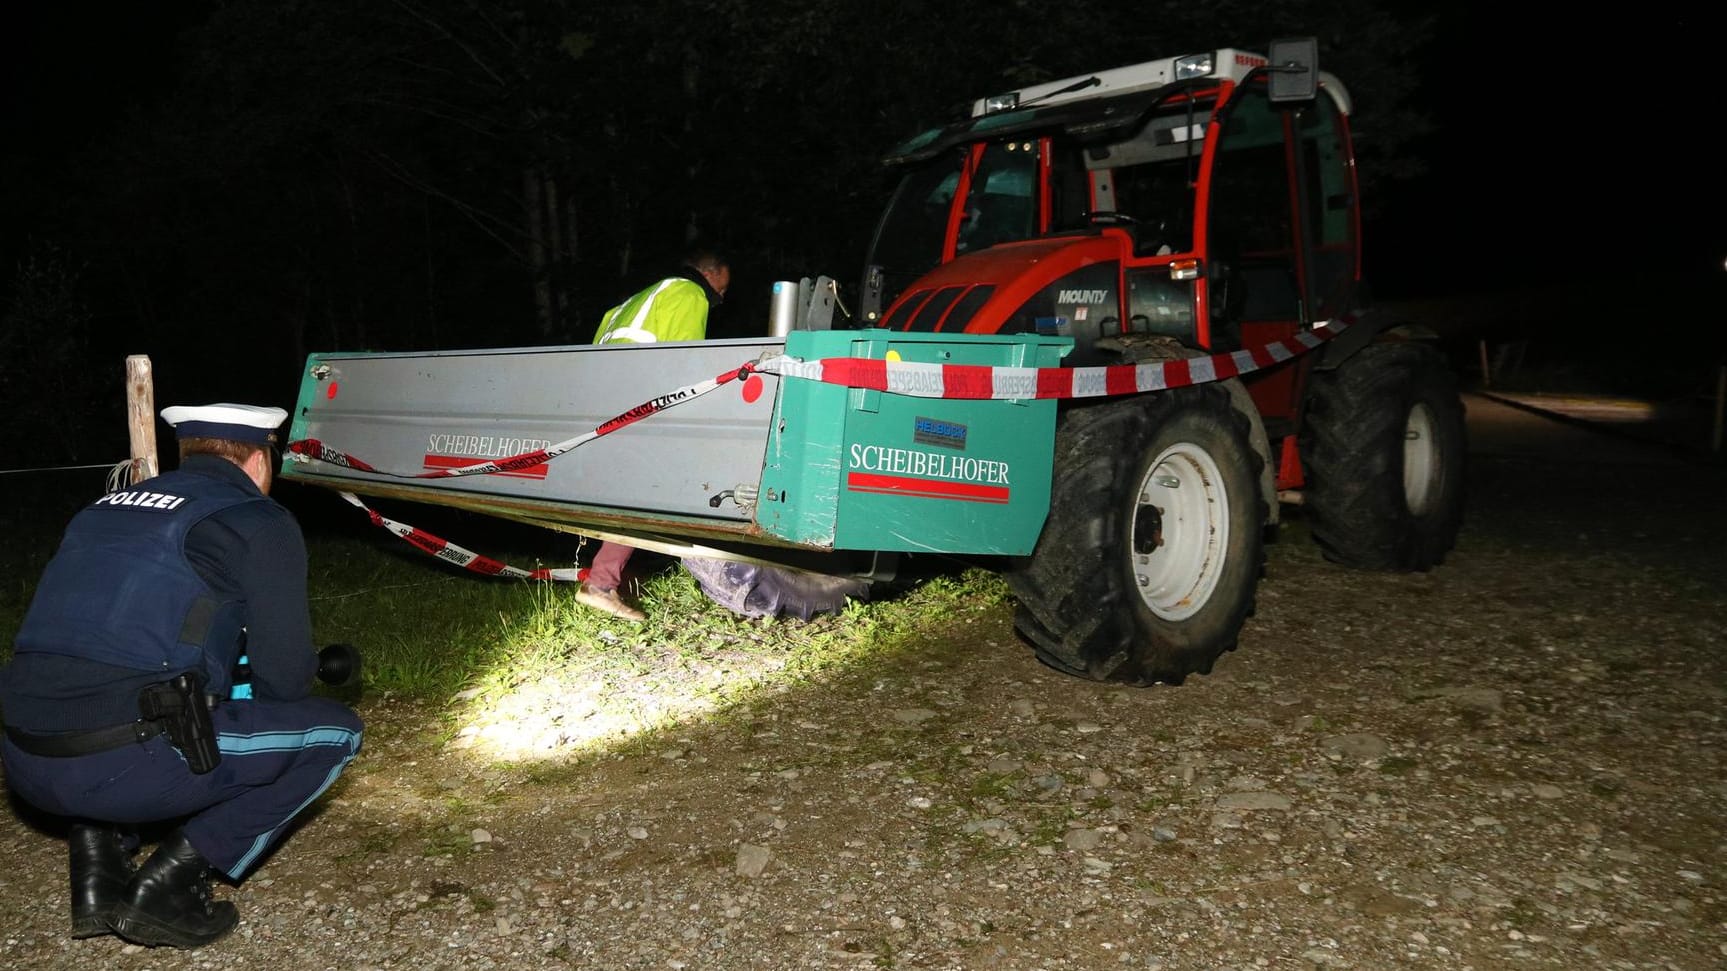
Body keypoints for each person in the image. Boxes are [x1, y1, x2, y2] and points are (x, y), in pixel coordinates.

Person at [0, 403, 364, 949]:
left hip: (25, 759)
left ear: (186, 453)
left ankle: (98, 876)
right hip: (125, 765)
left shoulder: (99, 510)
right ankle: (172, 882)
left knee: (121, 690)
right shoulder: (256, 521)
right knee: (337, 734)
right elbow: (285, 683)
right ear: (261, 461)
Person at [577, 248, 731, 623]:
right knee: (651, 491)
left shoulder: (631, 302)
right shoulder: (689, 293)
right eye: (726, 281)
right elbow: (685, 362)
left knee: (634, 494)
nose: (725, 293)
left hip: (603, 404)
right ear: (714, 272)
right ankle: (600, 584)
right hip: (639, 403)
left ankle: (600, 582)